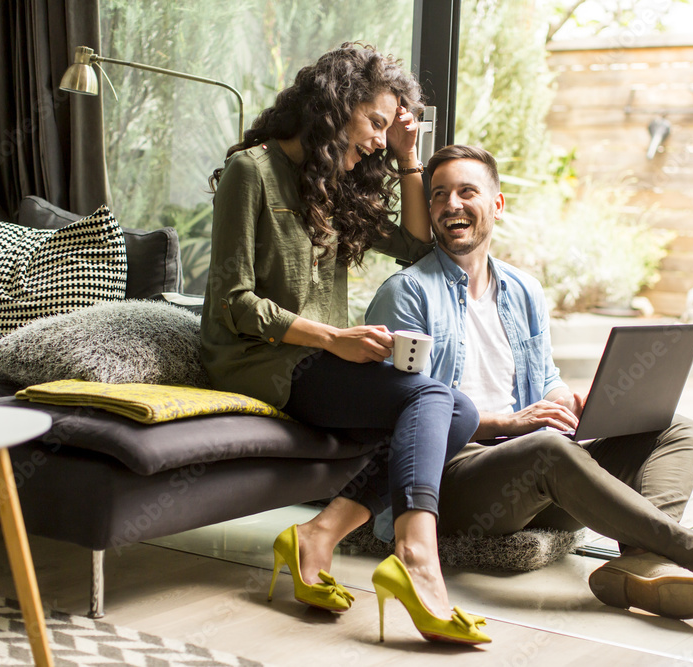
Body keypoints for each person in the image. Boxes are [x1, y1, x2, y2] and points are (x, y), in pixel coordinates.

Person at [365, 144, 693, 630]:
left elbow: (544, 379)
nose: (451, 204)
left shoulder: (522, 290)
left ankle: (640, 564)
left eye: (466, 191)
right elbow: (406, 414)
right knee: (547, 449)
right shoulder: (407, 293)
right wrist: (509, 422)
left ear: (497, 204)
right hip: (452, 483)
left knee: (675, 429)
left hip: (536, 473)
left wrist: (564, 398)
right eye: (439, 195)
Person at [201, 47, 489, 645]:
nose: (382, 141)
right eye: (377, 123)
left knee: (456, 408)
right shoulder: (249, 172)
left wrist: (411, 158)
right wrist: (334, 338)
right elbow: (232, 301)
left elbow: (415, 247)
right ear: (337, 105)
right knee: (434, 399)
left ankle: (319, 534)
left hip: (317, 359)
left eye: (389, 130)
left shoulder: (335, 185)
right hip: (258, 362)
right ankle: (416, 556)